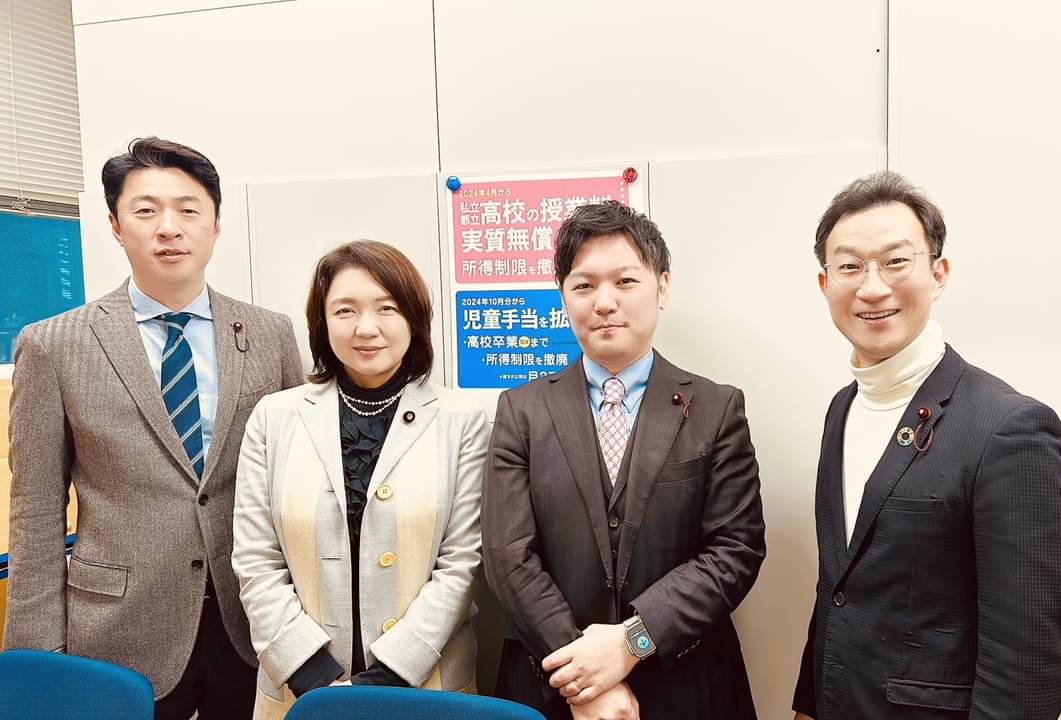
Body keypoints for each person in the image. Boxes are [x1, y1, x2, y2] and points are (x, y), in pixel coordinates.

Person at [3, 137, 305, 719]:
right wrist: (36, 658)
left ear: (215, 225)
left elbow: (296, 480)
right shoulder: (53, 344)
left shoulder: (270, 334)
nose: (169, 228)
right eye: (146, 210)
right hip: (120, 624)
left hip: (253, 617)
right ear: (116, 226)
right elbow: (35, 510)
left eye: (189, 210)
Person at [792, 171, 1061, 719]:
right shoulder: (841, 409)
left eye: (896, 261)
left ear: (938, 274)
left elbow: (1027, 665)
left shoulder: (1010, 428)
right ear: (825, 284)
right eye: (850, 266)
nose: (872, 287)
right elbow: (838, 589)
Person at [483, 201, 766, 720]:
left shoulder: (716, 408)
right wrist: (583, 680)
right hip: (552, 685)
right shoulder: (521, 411)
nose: (605, 302)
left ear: (662, 287)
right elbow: (507, 557)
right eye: (584, 285)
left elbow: (735, 550)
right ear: (563, 296)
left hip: (688, 684)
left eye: (625, 281)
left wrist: (632, 641)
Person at [232, 240, 489, 719]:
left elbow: (463, 562)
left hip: (426, 685)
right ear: (321, 322)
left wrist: (389, 676)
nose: (366, 327)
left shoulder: (462, 419)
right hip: (300, 690)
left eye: (387, 308)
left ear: (413, 318)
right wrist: (311, 674)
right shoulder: (274, 417)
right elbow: (255, 557)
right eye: (345, 310)